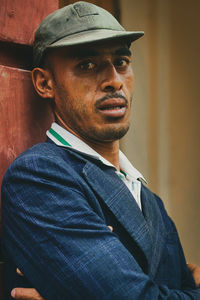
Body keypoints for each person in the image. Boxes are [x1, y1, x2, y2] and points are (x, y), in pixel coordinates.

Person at [1, 1, 200, 299]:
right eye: (87, 65)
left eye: (121, 62)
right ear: (45, 83)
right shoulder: (40, 176)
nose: (114, 81)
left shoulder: (150, 201)